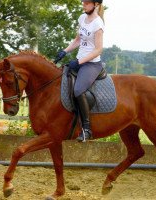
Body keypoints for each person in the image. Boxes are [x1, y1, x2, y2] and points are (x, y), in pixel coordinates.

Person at [55, 0, 105, 142]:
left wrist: (79, 62)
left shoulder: (98, 24)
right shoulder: (82, 18)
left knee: (78, 90)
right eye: (83, 2)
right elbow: (78, 40)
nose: (84, 5)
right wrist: (64, 51)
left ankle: (87, 129)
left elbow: (98, 50)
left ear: (95, 4)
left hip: (91, 64)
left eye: (87, 3)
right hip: (79, 60)